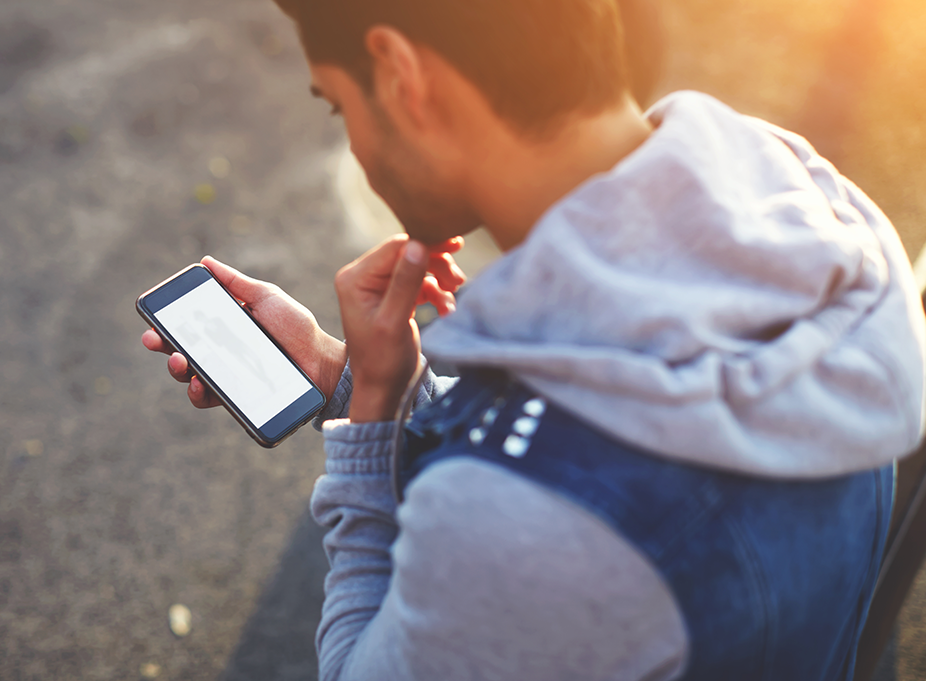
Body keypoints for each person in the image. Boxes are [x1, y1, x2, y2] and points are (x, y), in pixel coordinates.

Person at [142, 0, 926, 678]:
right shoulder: (811, 210)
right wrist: (347, 374)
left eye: (340, 108)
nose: (354, 143)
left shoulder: (527, 530)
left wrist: (371, 423)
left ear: (403, 77)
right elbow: (609, 429)